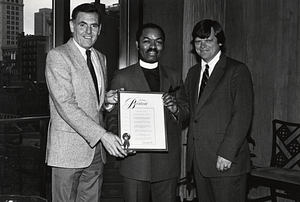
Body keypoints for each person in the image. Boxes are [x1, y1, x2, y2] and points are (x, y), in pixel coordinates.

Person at [45, 3, 127, 202]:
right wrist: (103, 135)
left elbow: (92, 101)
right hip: (67, 151)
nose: (88, 31)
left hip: (96, 154)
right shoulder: (58, 56)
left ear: (99, 29)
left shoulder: (100, 58)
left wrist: (107, 101)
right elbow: (65, 104)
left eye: (94, 26)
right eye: (83, 25)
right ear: (72, 26)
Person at [105, 23, 189, 202]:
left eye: (158, 42)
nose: (153, 46)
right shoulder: (122, 76)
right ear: (137, 45)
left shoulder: (174, 76)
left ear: (163, 46)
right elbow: (112, 117)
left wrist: (175, 109)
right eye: (147, 41)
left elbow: (186, 112)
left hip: (167, 163)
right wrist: (121, 139)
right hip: (135, 163)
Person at [185, 19, 253, 202]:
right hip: (200, 161)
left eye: (208, 40)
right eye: (198, 41)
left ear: (220, 42)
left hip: (226, 161)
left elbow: (242, 114)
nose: (202, 45)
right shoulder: (192, 73)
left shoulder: (237, 70)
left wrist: (227, 152)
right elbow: (189, 112)